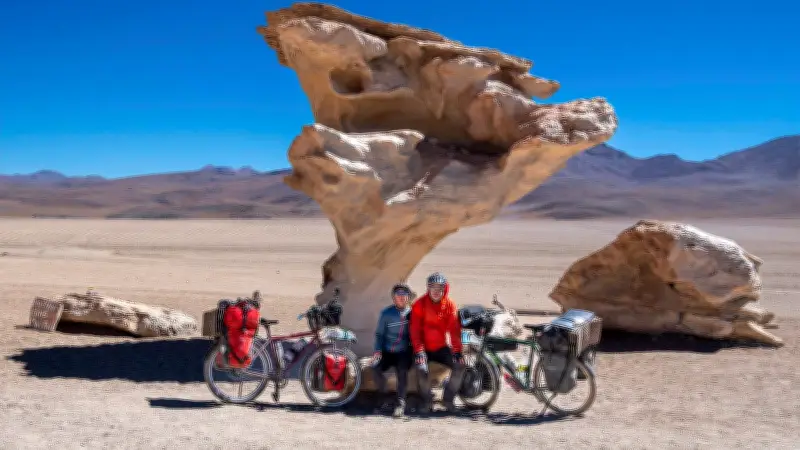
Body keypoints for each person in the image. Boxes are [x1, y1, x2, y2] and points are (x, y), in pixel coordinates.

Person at [409, 272, 465, 413]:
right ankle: (427, 401)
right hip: (423, 348)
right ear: (428, 288)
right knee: (422, 369)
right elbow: (415, 331)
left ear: (444, 289)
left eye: (439, 288)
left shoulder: (450, 305)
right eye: (432, 287)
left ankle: (448, 399)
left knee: (460, 366)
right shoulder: (419, 305)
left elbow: (454, 330)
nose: (435, 291)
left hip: (440, 347)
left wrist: (457, 351)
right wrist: (419, 351)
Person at [371, 283, 414, 417]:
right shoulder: (386, 313)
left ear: (408, 297)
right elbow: (379, 334)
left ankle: (400, 403)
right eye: (398, 295)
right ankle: (383, 397)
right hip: (387, 351)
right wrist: (377, 351)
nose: (401, 298)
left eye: (404, 295)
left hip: (404, 351)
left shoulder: (413, 313)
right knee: (375, 367)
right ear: (393, 297)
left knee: (402, 371)